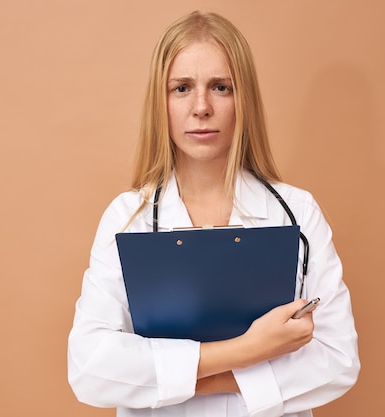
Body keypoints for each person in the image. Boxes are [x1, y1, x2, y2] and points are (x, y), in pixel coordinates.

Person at [68, 11, 360, 417]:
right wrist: (249, 350)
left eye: (221, 87)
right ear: (160, 101)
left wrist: (183, 378)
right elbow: (90, 369)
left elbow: (338, 359)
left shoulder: (297, 213)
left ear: (245, 100)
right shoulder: (127, 217)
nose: (201, 107)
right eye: (182, 88)